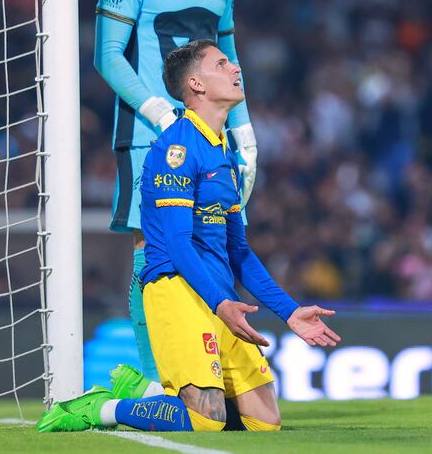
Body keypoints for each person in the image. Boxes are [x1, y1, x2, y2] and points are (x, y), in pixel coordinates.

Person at [39, 40, 339, 433]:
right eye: (222, 63)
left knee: (265, 423)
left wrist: (288, 311)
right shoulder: (176, 148)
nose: (236, 68)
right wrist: (220, 303)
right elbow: (179, 245)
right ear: (196, 84)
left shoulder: (225, 153)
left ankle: (149, 392)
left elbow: (239, 251)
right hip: (175, 287)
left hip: (218, 294)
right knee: (204, 420)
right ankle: (101, 408)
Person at [93, 0, 259, 381]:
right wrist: (160, 111)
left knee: (215, 240)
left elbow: (229, 56)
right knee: (156, 245)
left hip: (213, 135)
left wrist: (246, 131)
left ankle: (209, 375)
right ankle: (157, 378)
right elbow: (108, 56)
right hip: (151, 135)